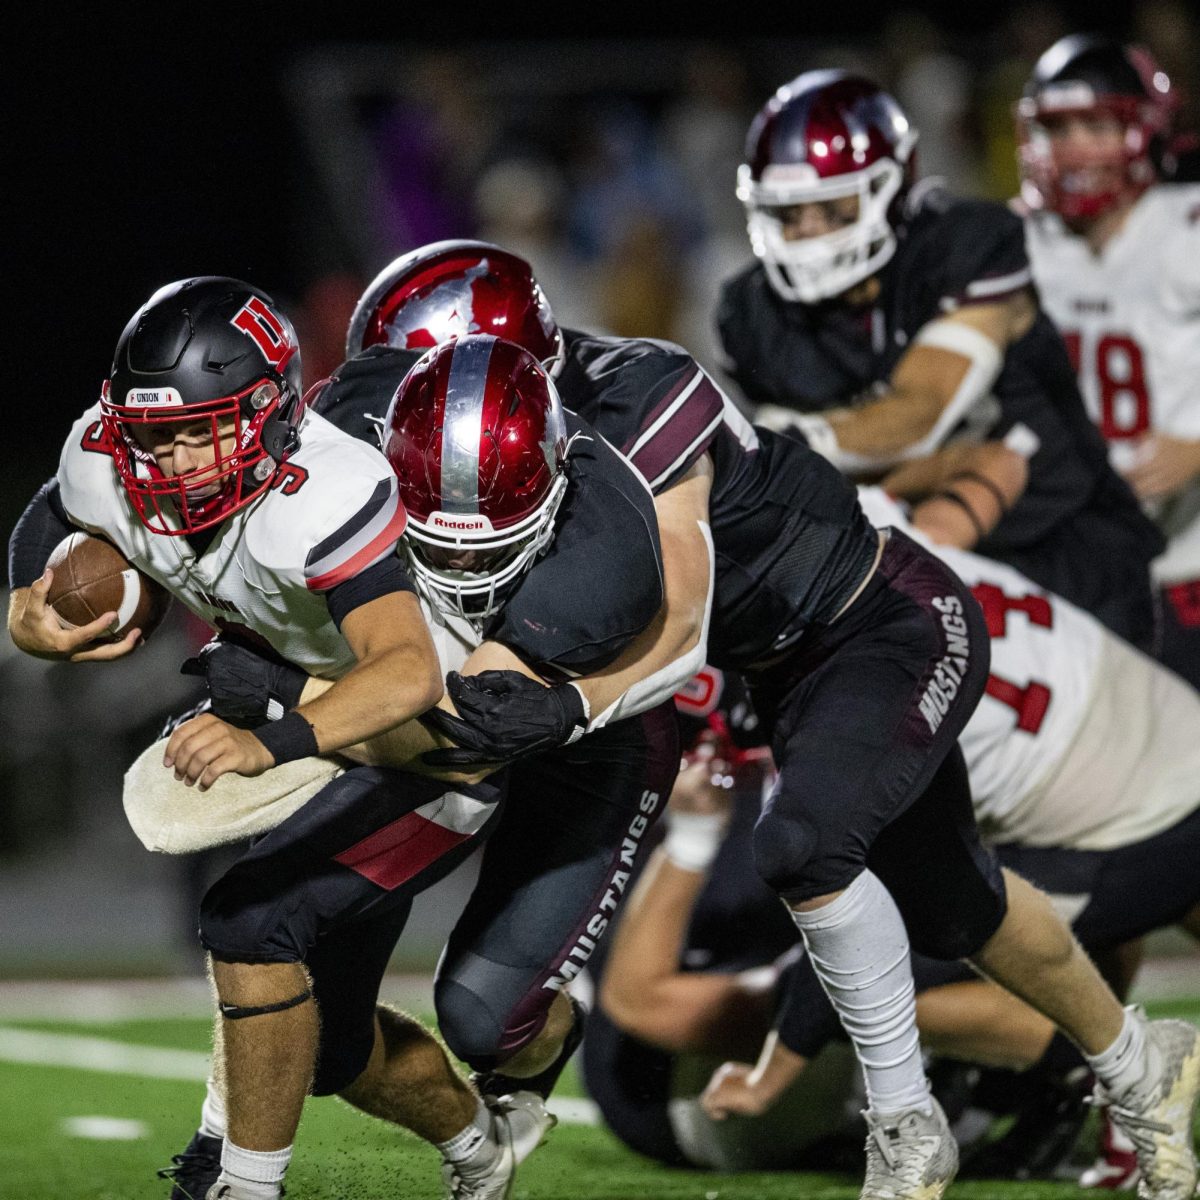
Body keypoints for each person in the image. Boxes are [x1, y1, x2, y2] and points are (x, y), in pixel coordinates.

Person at [346, 241, 1200, 1199]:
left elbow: (675, 622)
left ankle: (904, 1126)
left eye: (425, 395)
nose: (403, 428)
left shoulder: (641, 397)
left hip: (873, 621)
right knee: (960, 903)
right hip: (774, 672)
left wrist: (564, 703)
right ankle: (1139, 1064)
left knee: (802, 847)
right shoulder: (496, 456)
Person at [128, 330, 691, 1200]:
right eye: (435, 534)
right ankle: (476, 1150)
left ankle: (235, 1174)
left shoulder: (604, 558)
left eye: (488, 540)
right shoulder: (343, 440)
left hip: (573, 735)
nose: (462, 562)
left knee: (481, 1014)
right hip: (412, 721)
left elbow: (460, 745)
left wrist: (281, 700)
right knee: (334, 1048)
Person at [588, 477, 1200, 1186]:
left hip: (1134, 809)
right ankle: (1109, 1073)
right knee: (973, 914)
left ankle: (1075, 1082)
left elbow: (843, 955)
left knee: (923, 931)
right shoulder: (867, 537)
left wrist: (769, 1077)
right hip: (1138, 737)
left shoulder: (855, 700)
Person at [716, 69, 1163, 651]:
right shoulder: (752, 313)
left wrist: (782, 444)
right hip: (916, 566)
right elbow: (817, 490)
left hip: (1068, 551)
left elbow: (920, 411)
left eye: (833, 209)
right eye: (789, 215)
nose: (808, 234)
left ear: (894, 184)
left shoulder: (966, 244)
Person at [1019, 33, 1200, 690]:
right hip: (1078, 565)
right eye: (1056, 128)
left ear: (1145, 130)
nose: (1073, 149)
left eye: (1095, 125)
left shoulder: (1185, 228)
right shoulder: (1019, 246)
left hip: (1188, 564)